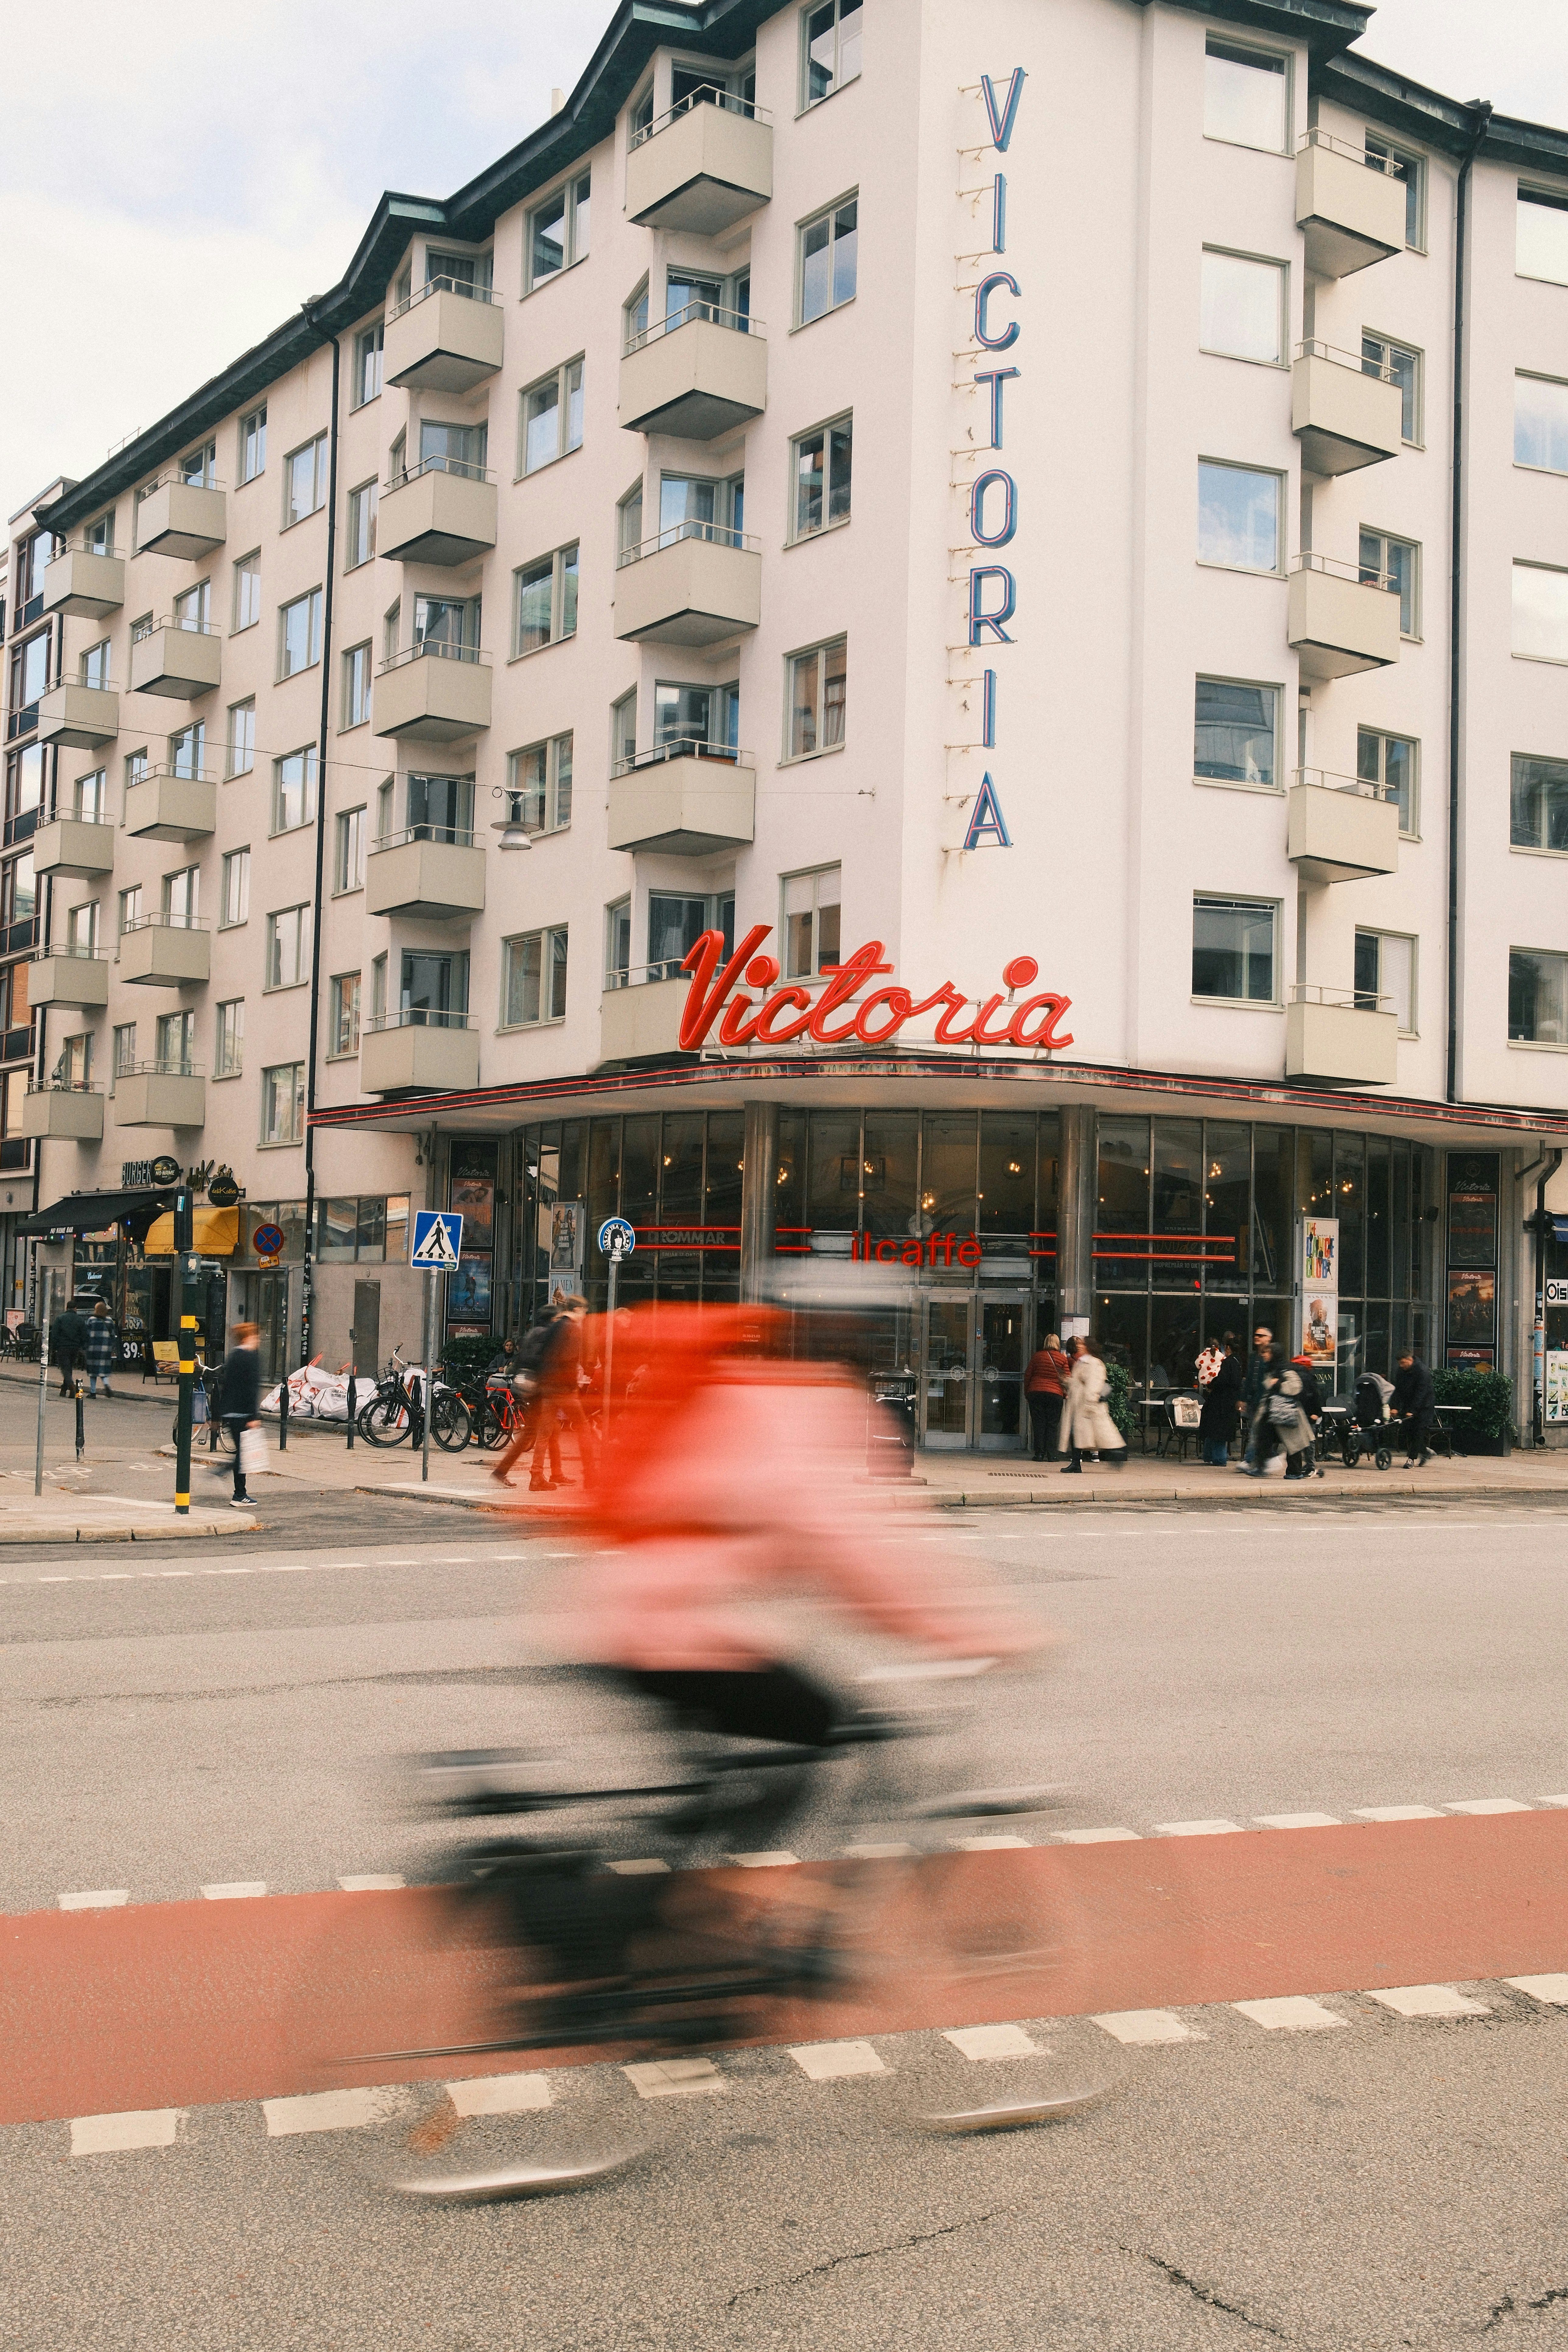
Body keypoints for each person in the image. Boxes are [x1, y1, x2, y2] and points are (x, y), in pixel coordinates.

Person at [562, 1304, 1039, 1762]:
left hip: (614, 1614)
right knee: (817, 1720)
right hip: (671, 1634)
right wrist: (967, 1635)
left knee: (749, 1743)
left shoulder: (738, 1390)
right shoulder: (810, 1412)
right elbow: (861, 1561)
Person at [1060, 1335, 1128, 1473]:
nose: (1080, 1346)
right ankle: (1076, 1464)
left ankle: (1117, 1455)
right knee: (1079, 1435)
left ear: (1089, 1347)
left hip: (1089, 1406)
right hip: (1080, 1405)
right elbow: (1077, 1382)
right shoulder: (1082, 1362)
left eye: (1082, 1344)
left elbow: (1094, 1385)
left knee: (1100, 1435)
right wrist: (1066, 1380)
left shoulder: (1094, 1363)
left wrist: (1090, 1403)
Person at [218, 1320, 262, 1508]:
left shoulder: (235, 1356)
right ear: (249, 1337)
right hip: (244, 1414)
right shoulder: (250, 1357)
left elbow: (226, 1386)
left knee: (242, 1453)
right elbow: (251, 1390)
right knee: (243, 1455)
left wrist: (218, 1414)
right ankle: (239, 1494)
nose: (258, 1339)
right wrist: (254, 1416)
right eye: (256, 1335)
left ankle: (237, 1490)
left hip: (231, 1412)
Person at [1023, 1331, 1072, 1462]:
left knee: (1038, 1424)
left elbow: (1028, 1375)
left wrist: (1027, 1392)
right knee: (1052, 1425)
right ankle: (1052, 1455)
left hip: (1036, 1393)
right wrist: (1066, 1394)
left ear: (1046, 1343)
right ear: (1057, 1344)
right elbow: (1067, 1379)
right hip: (1055, 1394)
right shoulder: (1062, 1359)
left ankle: (1039, 1454)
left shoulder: (1037, 1356)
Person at [1196, 1332, 1243, 1466]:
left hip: (1221, 1402)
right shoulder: (1238, 1362)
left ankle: (1219, 1458)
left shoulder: (1228, 1362)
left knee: (1217, 1430)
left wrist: (1211, 1385)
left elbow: (1222, 1381)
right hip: (1230, 1401)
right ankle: (1209, 1455)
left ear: (1228, 1348)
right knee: (1218, 1430)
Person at [1239, 1325, 1277, 1473]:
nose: (1257, 1337)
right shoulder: (1254, 1356)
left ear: (1269, 1338)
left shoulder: (1272, 1355)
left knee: (1258, 1431)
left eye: (1261, 1335)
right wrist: (1243, 1399)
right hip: (1255, 1400)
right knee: (1257, 1431)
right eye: (1256, 1335)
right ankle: (1265, 1459)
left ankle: (1252, 1460)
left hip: (1267, 1401)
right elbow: (1249, 1379)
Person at [1284, 1350, 1325, 1480]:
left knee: (1299, 1441)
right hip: (1308, 1413)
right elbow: (1315, 1397)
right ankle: (1309, 1467)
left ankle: (1304, 1467)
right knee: (1309, 1441)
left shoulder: (1292, 1375)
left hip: (1296, 1412)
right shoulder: (1308, 1376)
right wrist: (1317, 1413)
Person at [1391, 1348, 1436, 1467]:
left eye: (1403, 1363)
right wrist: (1395, 1407)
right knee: (1409, 1432)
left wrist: (1413, 1410)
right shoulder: (1401, 1372)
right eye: (1400, 1364)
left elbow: (1421, 1393)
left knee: (1418, 1432)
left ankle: (1411, 1459)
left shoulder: (1422, 1371)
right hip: (1408, 1405)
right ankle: (1426, 1452)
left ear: (1410, 1360)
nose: (1401, 1366)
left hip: (1424, 1407)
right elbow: (1398, 1390)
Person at [51, 1299, 87, 1398]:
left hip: (63, 1347)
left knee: (65, 1369)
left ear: (67, 1308)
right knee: (69, 1368)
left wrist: (56, 1346)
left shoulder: (60, 1319)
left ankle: (71, 1386)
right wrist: (82, 1347)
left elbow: (54, 1334)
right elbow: (84, 1335)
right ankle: (64, 1390)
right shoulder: (80, 1320)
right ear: (76, 1309)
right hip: (75, 1348)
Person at [82, 1299, 118, 1399]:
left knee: (93, 1372)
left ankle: (93, 1392)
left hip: (93, 1349)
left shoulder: (91, 1320)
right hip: (106, 1349)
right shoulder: (110, 1321)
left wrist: (84, 1347)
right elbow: (113, 1335)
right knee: (103, 1370)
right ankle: (106, 1384)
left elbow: (87, 1335)